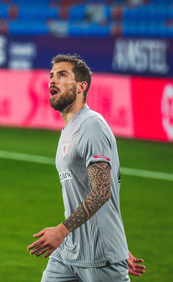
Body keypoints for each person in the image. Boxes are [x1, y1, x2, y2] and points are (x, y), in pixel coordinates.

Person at [27, 54, 146, 281]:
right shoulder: (68, 130)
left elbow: (102, 191)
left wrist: (62, 231)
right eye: (52, 75)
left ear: (82, 86)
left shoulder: (91, 125)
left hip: (98, 254)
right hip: (69, 251)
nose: (53, 80)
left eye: (62, 75)